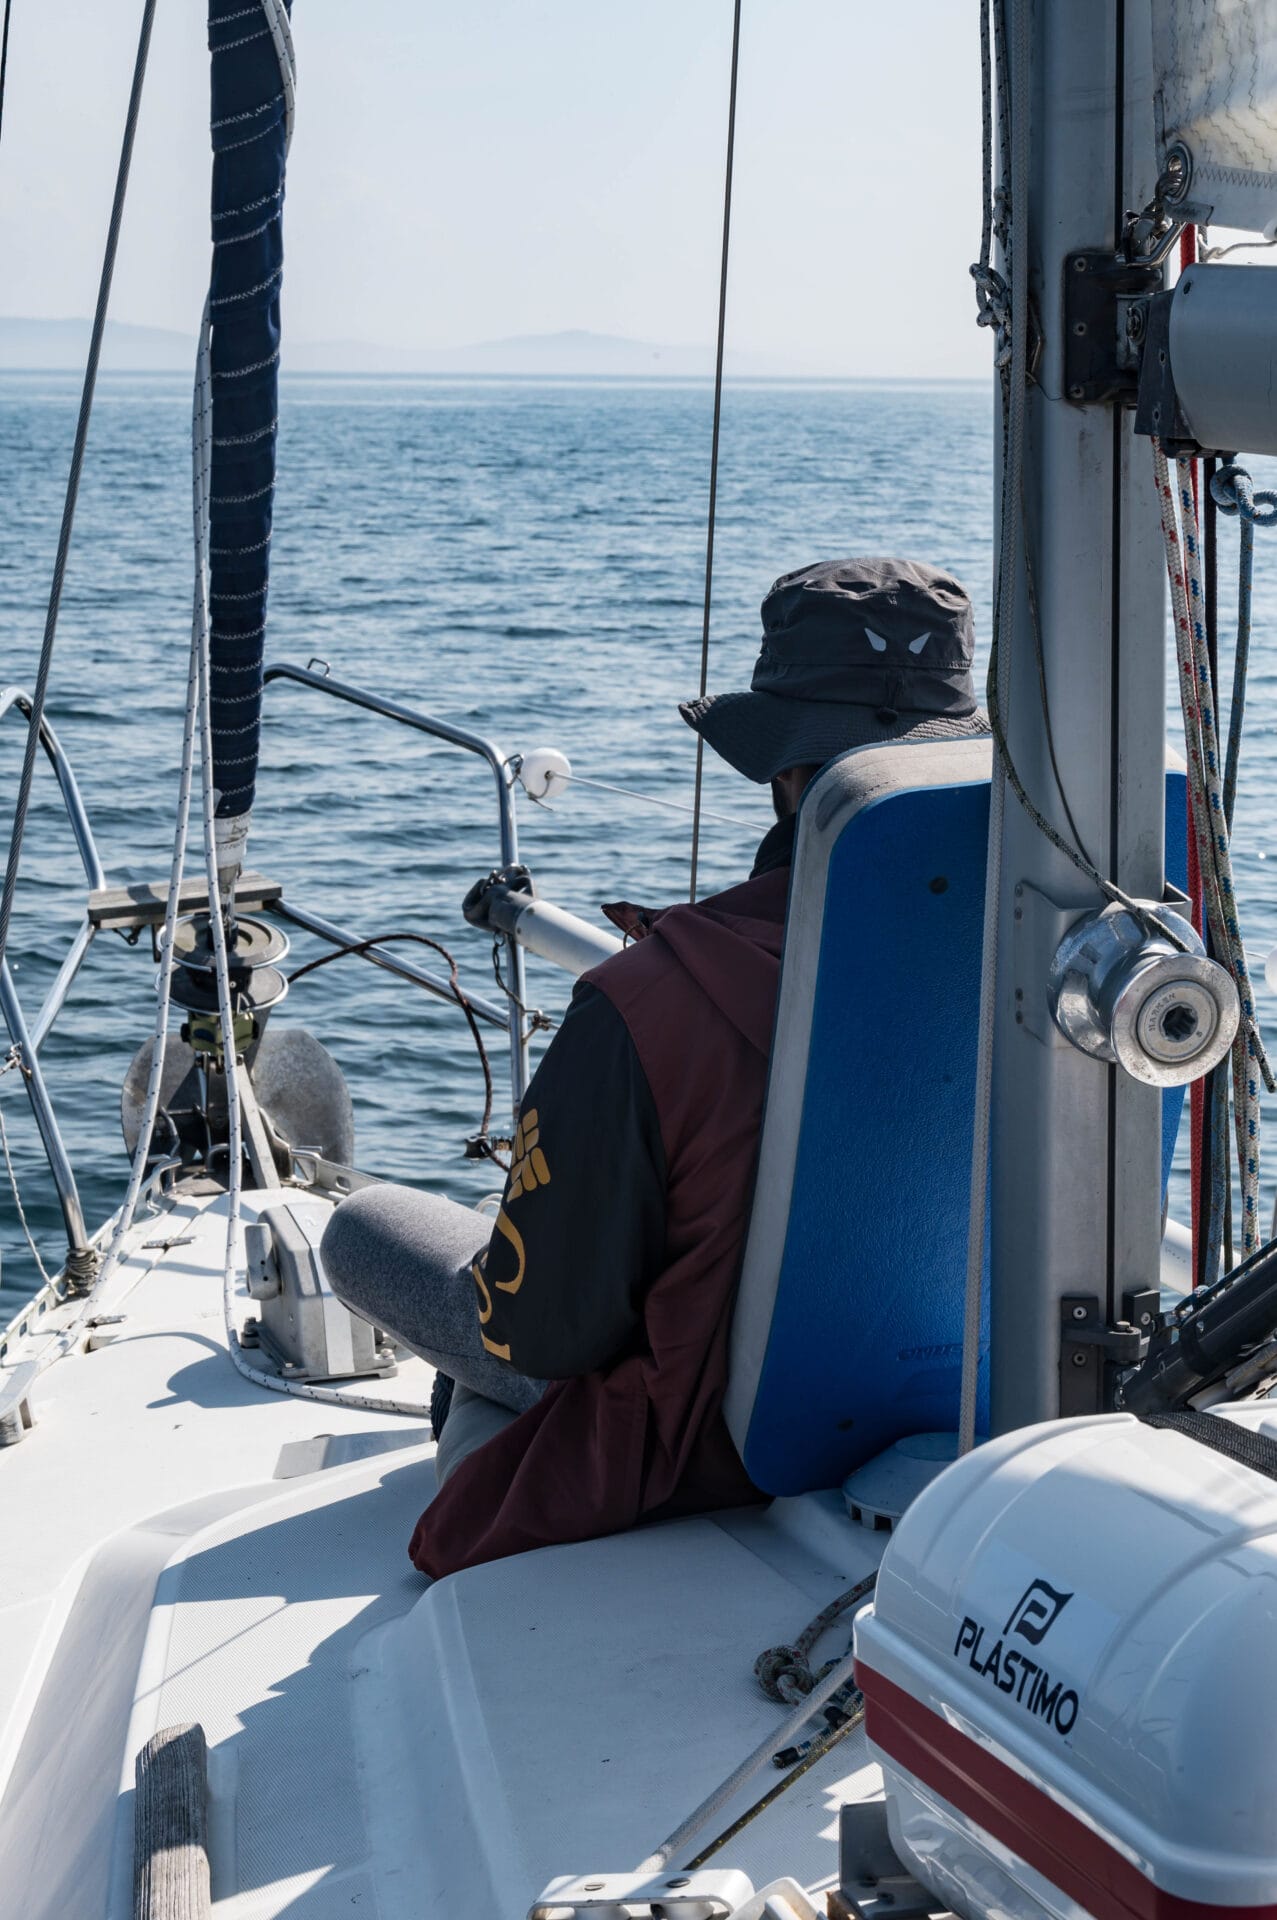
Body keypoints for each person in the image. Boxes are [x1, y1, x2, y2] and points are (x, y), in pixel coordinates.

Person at [321, 557, 989, 1578]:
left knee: (363, 1230)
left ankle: (482, 1475)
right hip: (979, 1398)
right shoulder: (1088, 966)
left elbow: (543, 1332)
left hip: (702, 1442)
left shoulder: (652, 1006)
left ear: (787, 772)